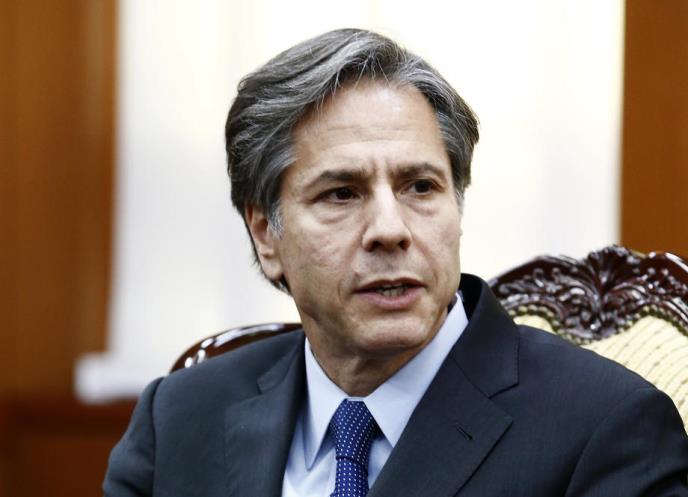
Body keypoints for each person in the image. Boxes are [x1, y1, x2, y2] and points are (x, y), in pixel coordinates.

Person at [103, 28, 688, 497]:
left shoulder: (606, 428)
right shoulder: (179, 417)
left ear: (457, 206)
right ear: (265, 235)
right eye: (341, 193)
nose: (390, 230)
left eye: (420, 187)